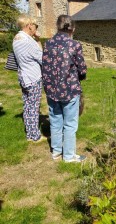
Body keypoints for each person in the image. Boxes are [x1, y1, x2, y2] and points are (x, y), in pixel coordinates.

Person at [42, 15, 87, 162]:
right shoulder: (74, 45)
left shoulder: (47, 44)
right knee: (70, 124)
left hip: (51, 90)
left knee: (55, 121)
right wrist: (80, 78)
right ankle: (68, 156)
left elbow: (45, 67)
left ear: (57, 26)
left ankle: (56, 152)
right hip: (70, 90)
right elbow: (82, 69)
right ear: (72, 28)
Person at [12, 14, 45, 142]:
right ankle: (35, 136)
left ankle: (29, 134)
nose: (36, 27)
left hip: (23, 76)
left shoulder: (17, 38)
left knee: (27, 106)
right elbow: (42, 58)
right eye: (35, 25)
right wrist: (38, 40)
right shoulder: (28, 41)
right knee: (33, 107)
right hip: (32, 77)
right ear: (29, 25)